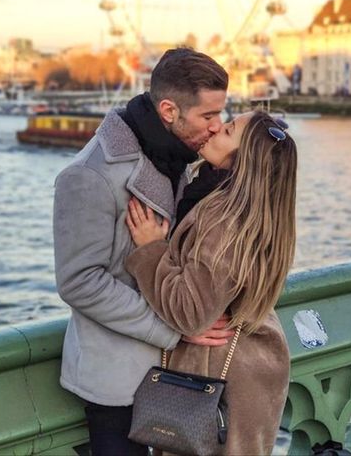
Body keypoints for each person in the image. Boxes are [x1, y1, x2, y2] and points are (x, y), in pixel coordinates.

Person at [53, 48, 233, 456]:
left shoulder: (183, 158)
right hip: (118, 380)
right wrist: (174, 327)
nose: (216, 126)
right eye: (208, 116)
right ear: (169, 110)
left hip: (179, 372)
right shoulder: (89, 176)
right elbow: (79, 282)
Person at [125, 110, 297, 455]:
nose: (217, 127)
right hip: (250, 370)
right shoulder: (253, 210)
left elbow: (190, 313)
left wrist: (149, 250)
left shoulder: (224, 220)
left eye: (229, 129)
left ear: (242, 158)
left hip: (218, 376)